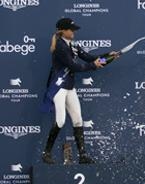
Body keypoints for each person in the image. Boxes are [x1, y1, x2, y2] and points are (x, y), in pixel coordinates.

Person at [40, 18, 116, 165]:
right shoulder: (60, 47)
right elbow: (74, 66)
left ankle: (83, 156)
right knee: (60, 120)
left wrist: (109, 55)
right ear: (63, 30)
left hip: (69, 87)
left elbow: (89, 57)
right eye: (71, 29)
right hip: (58, 87)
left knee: (78, 120)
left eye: (73, 29)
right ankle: (46, 153)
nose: (73, 31)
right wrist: (93, 66)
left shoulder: (73, 45)